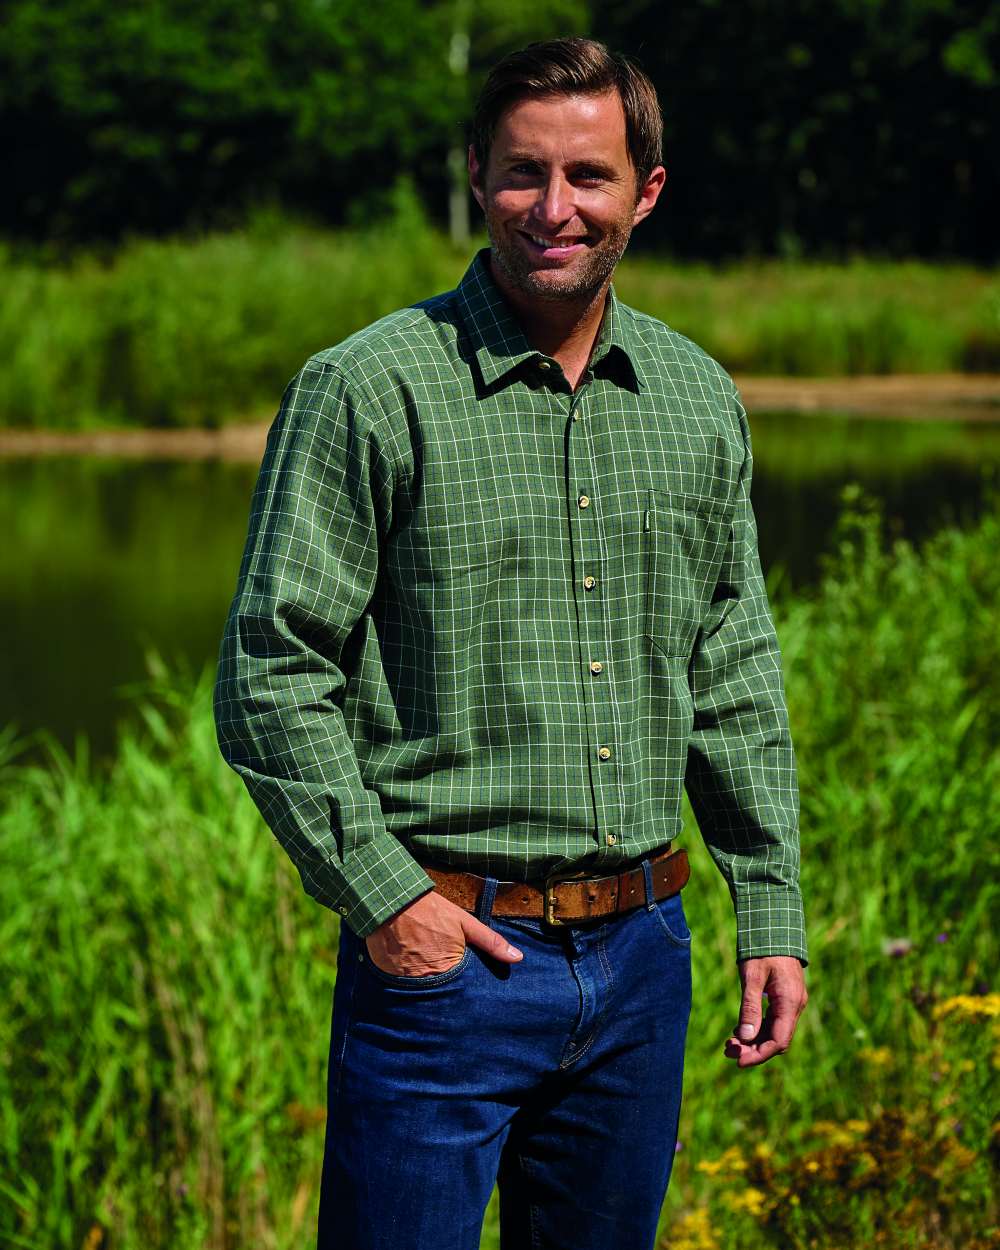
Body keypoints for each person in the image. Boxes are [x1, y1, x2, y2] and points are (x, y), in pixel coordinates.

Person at [214, 35, 808, 1250]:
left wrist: (771, 907)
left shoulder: (697, 396)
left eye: (588, 176)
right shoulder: (369, 388)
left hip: (645, 958)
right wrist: (387, 902)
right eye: (522, 173)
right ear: (477, 174)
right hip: (446, 966)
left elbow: (733, 667)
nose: (554, 208)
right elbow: (271, 672)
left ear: (644, 190)